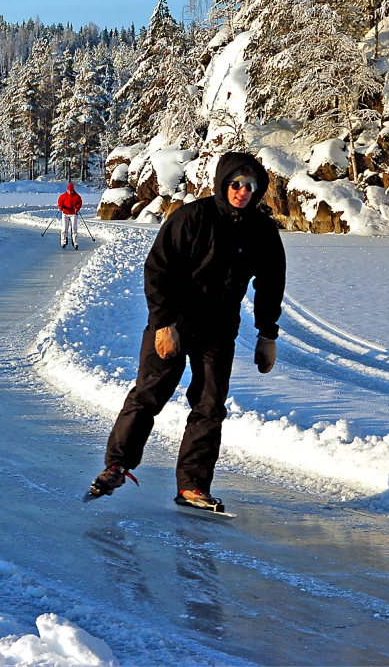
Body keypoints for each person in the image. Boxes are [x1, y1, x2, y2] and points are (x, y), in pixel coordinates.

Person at [89, 152, 286, 510]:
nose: (242, 191)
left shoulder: (261, 230)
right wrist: (163, 323)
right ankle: (116, 465)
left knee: (209, 406)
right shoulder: (191, 217)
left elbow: (271, 283)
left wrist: (267, 334)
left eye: (250, 186)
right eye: (236, 184)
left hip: (219, 330)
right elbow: (158, 270)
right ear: (223, 183)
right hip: (173, 323)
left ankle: (193, 486)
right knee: (149, 395)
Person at [58, 181, 83, 249]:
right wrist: (61, 207)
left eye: (71, 190)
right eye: (69, 190)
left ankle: (75, 242)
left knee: (74, 229)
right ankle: (63, 241)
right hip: (65, 213)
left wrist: (77, 209)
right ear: (67, 190)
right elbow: (60, 202)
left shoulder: (77, 196)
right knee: (64, 228)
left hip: (73, 214)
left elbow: (79, 203)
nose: (70, 192)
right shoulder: (63, 196)